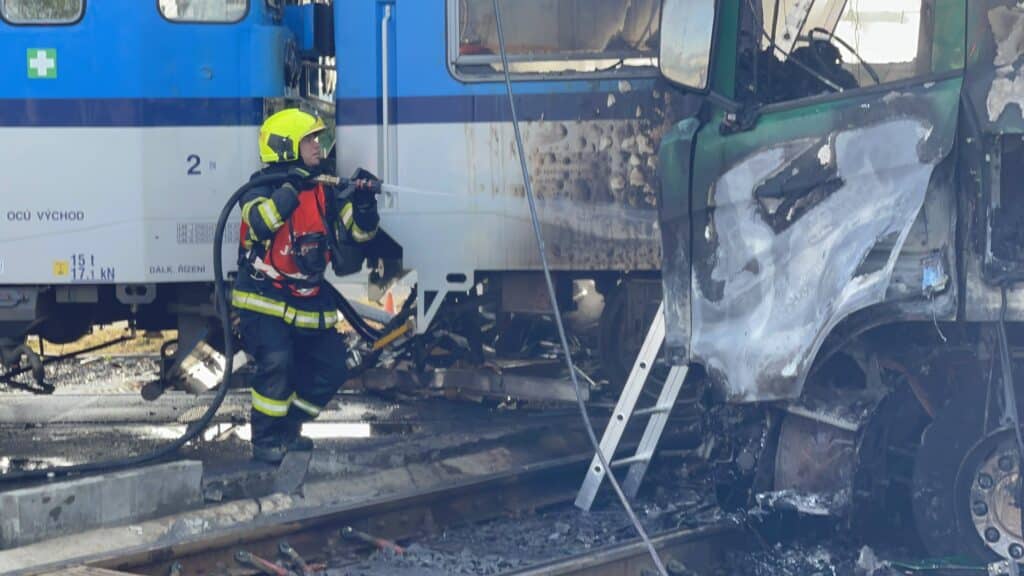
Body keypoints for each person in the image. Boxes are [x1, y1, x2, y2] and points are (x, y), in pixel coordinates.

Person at [232, 107, 380, 463]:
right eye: (310, 139)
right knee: (277, 362)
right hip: (263, 300)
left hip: (309, 299)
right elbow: (261, 223)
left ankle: (289, 427)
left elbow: (359, 233)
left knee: (333, 367)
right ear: (287, 147)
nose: (318, 146)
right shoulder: (257, 188)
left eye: (317, 138)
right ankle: (266, 442)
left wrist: (362, 201)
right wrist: (291, 187)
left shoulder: (322, 189)